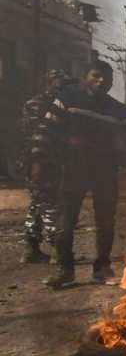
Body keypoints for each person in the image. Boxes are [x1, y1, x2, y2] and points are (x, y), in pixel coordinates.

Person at [39, 60, 126, 289]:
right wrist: (40, 163)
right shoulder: (67, 99)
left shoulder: (119, 110)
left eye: (107, 78)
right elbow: (46, 131)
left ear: (112, 82)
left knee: (105, 222)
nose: (101, 81)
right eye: (96, 76)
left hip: (105, 172)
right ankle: (65, 269)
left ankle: (102, 268)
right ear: (86, 77)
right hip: (73, 169)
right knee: (66, 221)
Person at [19, 69, 68, 264]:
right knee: (50, 203)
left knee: (37, 204)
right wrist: (37, 163)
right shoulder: (37, 104)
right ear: (49, 82)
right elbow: (36, 135)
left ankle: (31, 249)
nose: (62, 86)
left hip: (49, 160)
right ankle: (58, 249)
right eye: (59, 82)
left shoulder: (57, 103)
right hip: (39, 160)